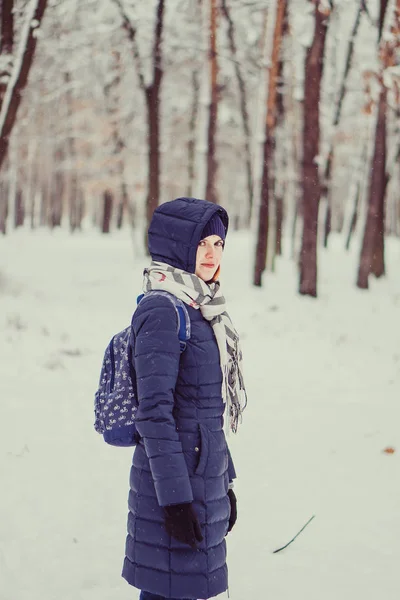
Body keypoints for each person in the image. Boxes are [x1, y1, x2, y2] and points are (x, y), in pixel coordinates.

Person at [122, 197, 247, 600]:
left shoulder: (203, 310)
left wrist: (223, 481)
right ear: (177, 245)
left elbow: (206, 411)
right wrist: (175, 502)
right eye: (201, 244)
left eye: (219, 244)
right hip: (172, 485)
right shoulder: (163, 310)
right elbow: (153, 413)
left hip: (201, 478)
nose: (212, 254)